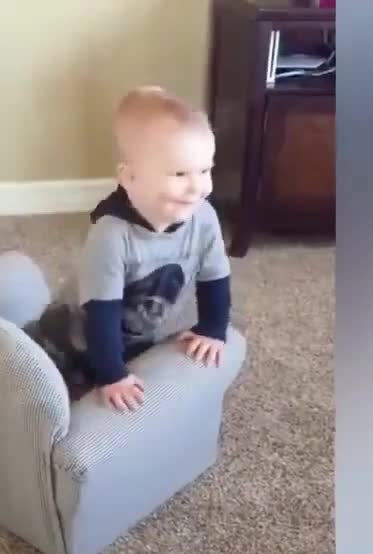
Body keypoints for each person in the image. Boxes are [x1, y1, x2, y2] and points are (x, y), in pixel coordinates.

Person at [24, 86, 233, 412]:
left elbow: (215, 279)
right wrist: (112, 375)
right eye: (179, 173)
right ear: (130, 177)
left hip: (133, 338)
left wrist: (213, 329)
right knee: (49, 401)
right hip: (68, 342)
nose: (197, 187)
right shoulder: (111, 234)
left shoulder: (204, 217)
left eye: (205, 170)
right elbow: (101, 312)